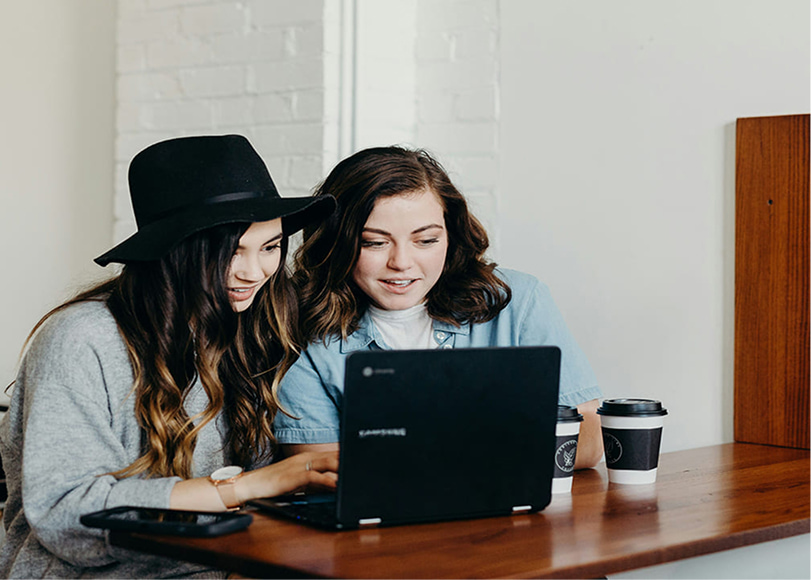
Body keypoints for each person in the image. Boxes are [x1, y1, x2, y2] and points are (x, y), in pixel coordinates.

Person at [0, 135, 338, 578]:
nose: (254, 273)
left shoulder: (254, 328)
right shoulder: (83, 338)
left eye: (270, 247)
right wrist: (249, 486)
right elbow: (67, 513)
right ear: (174, 249)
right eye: (230, 251)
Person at [274, 146, 604, 469]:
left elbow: (588, 440)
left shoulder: (517, 300)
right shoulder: (300, 328)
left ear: (451, 234)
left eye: (426, 240)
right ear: (336, 243)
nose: (401, 262)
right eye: (374, 243)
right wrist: (498, 440)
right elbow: (320, 468)